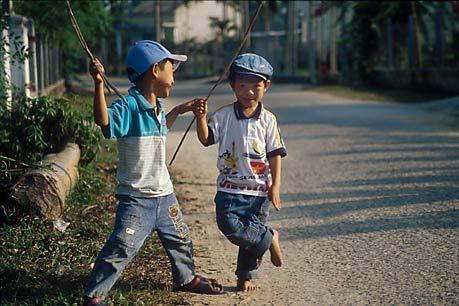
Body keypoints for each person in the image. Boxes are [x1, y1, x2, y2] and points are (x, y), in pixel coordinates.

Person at [82, 40, 222, 306]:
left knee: (181, 238)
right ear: (155, 70)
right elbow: (104, 121)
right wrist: (99, 84)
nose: (174, 77)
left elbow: (160, 129)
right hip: (136, 199)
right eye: (172, 68)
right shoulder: (130, 106)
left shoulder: (157, 107)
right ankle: (94, 295)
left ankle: (186, 278)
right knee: (122, 246)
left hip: (165, 195)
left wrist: (180, 111)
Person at [193, 53, 286, 292]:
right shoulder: (224, 115)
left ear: (266, 86)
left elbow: (275, 153)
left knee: (249, 236)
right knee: (230, 226)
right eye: (243, 84)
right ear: (233, 85)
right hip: (229, 189)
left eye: (256, 85)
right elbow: (206, 139)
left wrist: (274, 186)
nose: (249, 91)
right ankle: (269, 238)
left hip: (258, 190)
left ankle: (245, 277)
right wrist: (201, 118)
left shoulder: (268, 120)